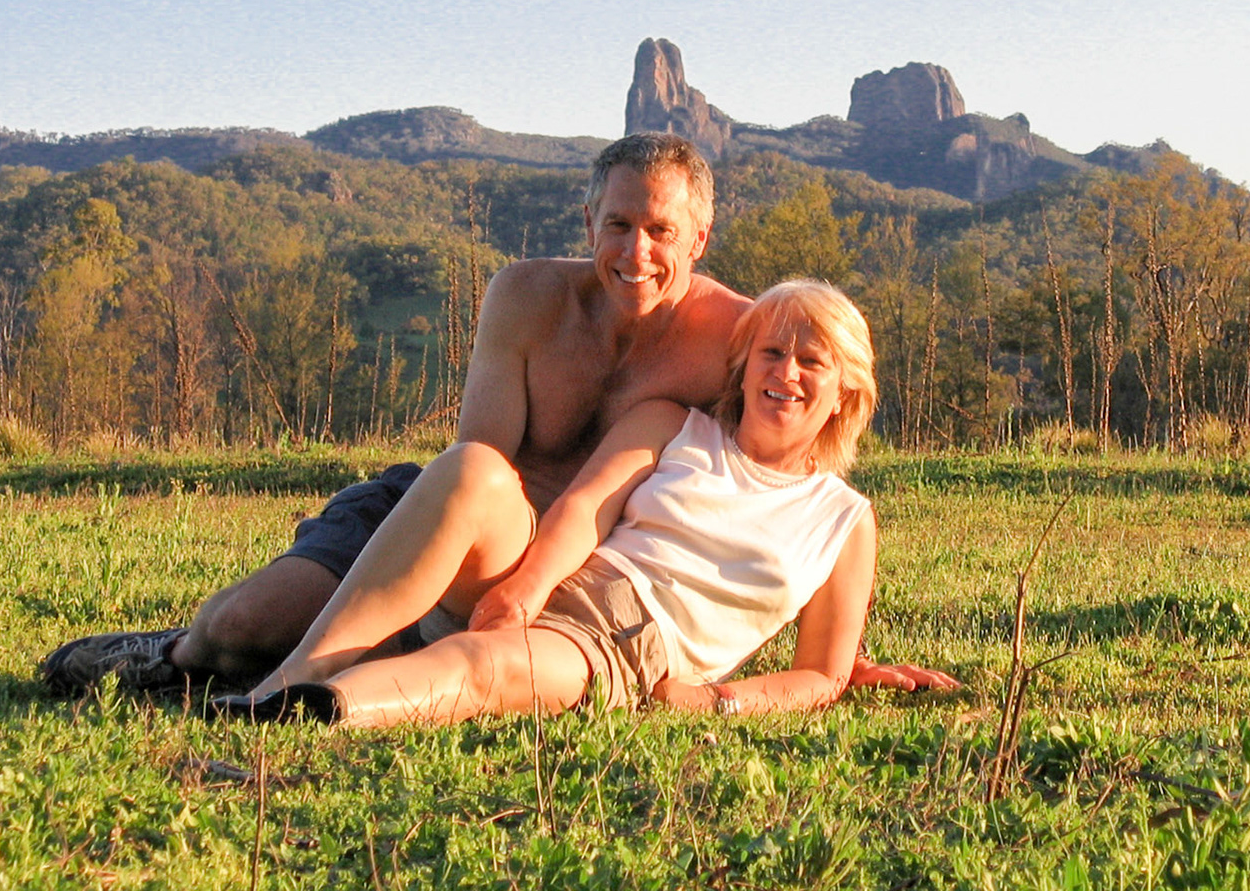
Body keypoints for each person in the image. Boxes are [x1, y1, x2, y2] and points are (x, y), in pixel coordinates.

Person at [40, 133, 953, 696]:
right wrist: (410, 551)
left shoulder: (734, 333)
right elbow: (477, 463)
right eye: (618, 224)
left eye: (661, 231)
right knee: (238, 627)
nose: (636, 252)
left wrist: (836, 659)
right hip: (462, 527)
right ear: (588, 216)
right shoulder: (522, 298)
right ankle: (176, 655)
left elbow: (783, 465)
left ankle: (317, 671)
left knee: (320, 650)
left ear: (699, 237)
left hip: (573, 584)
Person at [212, 280, 881, 725]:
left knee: (479, 670)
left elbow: (821, 673)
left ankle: (309, 711)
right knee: (472, 466)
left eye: (811, 361)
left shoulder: (843, 520)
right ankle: (288, 677)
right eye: (771, 352)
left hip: (623, 644)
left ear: (846, 391)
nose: (785, 373)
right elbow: (586, 508)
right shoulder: (672, 424)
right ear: (742, 366)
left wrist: (717, 701)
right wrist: (525, 591)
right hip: (550, 576)